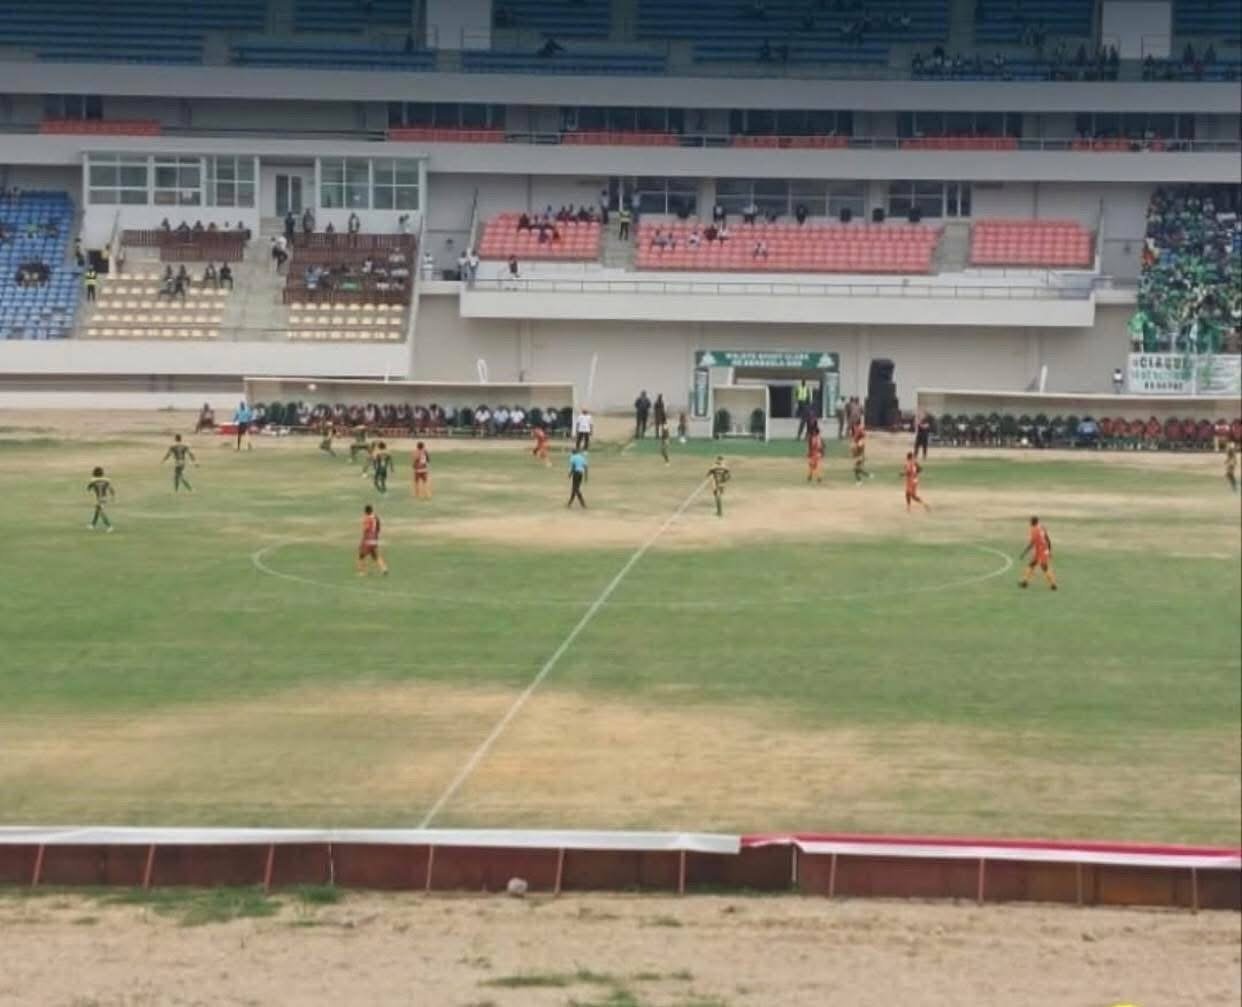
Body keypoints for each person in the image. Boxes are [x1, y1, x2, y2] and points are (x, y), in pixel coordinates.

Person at [1019, 515, 1057, 590]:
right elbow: (1047, 538)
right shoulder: (1042, 527)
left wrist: (1024, 553)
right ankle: (1025, 582)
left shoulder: (1034, 530)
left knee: (1044, 567)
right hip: (1042, 549)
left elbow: (1031, 543)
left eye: (1030, 521)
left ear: (1033, 522)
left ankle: (1053, 585)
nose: (1029, 522)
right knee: (1032, 565)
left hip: (1041, 551)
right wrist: (1049, 550)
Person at [356, 504, 389, 577]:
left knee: (361, 556)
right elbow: (378, 528)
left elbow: (366, 529)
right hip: (375, 539)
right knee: (375, 555)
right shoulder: (376, 517)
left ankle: (361, 572)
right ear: (372, 510)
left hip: (368, 540)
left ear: (365, 511)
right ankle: (384, 569)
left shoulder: (367, 518)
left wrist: (363, 538)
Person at [86, 466, 115, 532]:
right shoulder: (106, 480)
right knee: (97, 511)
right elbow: (111, 489)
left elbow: (88, 488)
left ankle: (109, 526)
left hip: (99, 498)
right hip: (104, 498)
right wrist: (113, 497)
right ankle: (92, 525)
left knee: (100, 512)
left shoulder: (93, 480)